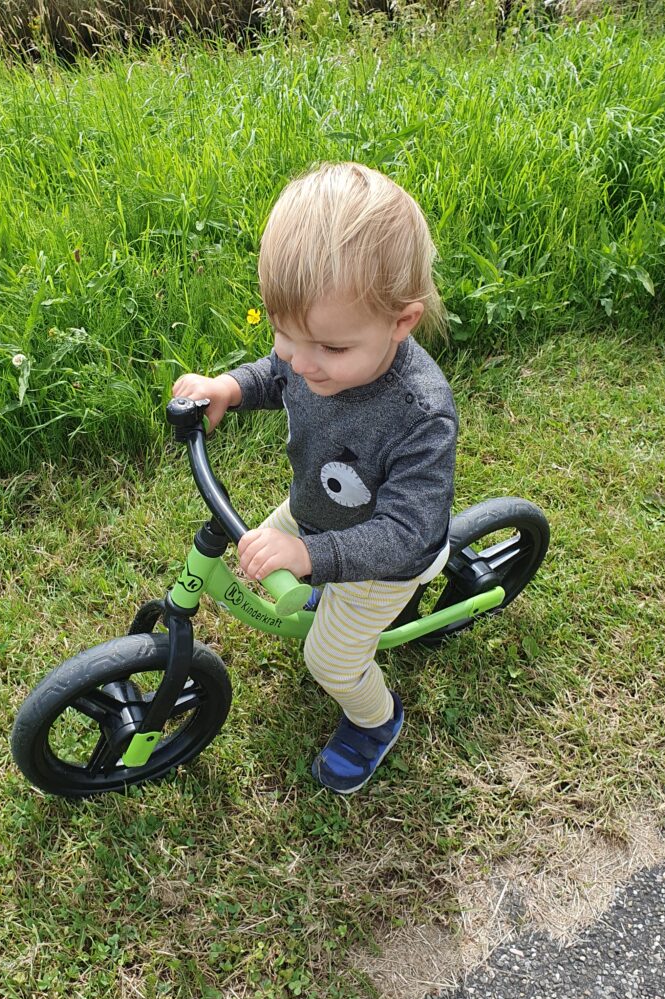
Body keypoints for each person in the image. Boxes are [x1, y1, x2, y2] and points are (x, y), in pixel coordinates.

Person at [172, 161, 457, 794]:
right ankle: (309, 572)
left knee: (328, 658)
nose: (302, 363)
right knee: (250, 552)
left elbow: (406, 533)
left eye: (329, 349)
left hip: (380, 561)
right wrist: (229, 388)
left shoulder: (419, 413)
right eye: (282, 333)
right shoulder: (311, 353)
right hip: (314, 513)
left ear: (401, 323)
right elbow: (277, 374)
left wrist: (310, 555)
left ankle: (375, 721)